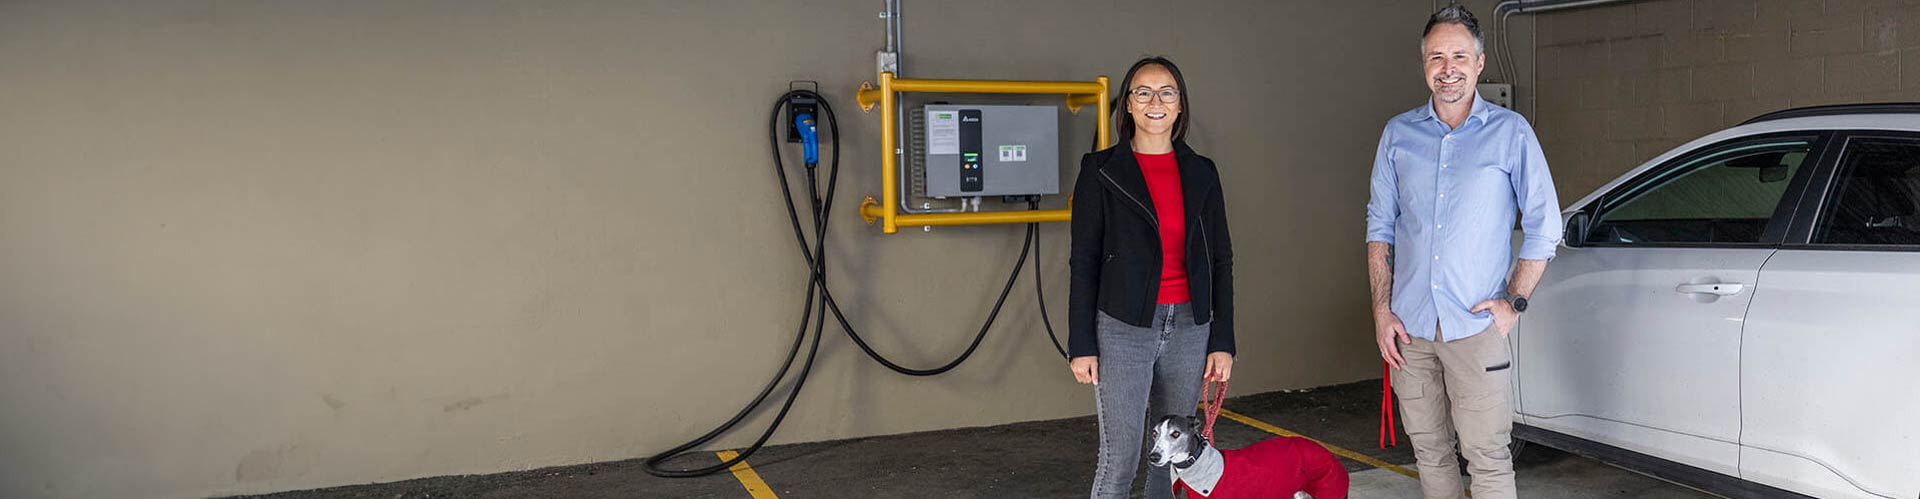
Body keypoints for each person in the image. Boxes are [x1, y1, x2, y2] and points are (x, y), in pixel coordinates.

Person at [1364, 6, 1563, 499]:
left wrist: (1513, 302)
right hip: (1409, 330)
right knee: (1430, 454)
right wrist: (1381, 310)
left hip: (1475, 328)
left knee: (1488, 459)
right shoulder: (1398, 134)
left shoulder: (1511, 132)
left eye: (1458, 55)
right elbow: (1379, 228)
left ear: (1479, 63)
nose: (1447, 67)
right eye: (1436, 56)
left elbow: (1545, 226)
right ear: (1424, 64)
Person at [1067, 56, 1236, 499]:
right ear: (1127, 107)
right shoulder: (1100, 171)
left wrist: (1223, 338)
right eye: (1143, 92)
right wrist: (1081, 342)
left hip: (1189, 327)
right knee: (1120, 458)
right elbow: (1082, 260)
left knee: (1173, 457)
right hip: (1123, 326)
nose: (1155, 102)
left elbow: (1221, 259)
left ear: (1181, 106)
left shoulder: (1203, 172)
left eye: (1167, 93)